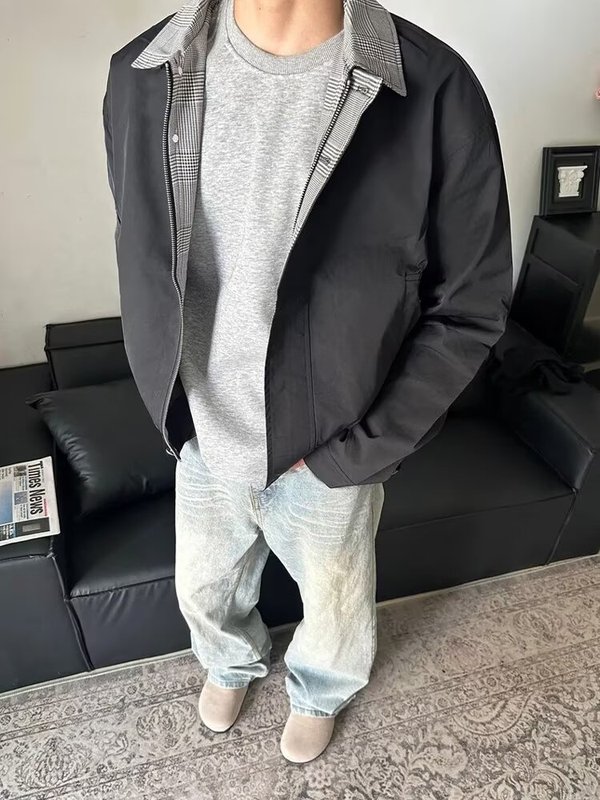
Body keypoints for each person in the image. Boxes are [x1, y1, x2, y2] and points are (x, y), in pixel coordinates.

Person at [102, 0, 513, 764]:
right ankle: (230, 662)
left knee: (336, 603)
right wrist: (170, 403)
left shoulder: (434, 88)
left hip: (334, 445)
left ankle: (320, 692)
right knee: (204, 587)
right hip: (203, 427)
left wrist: (361, 450)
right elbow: (141, 247)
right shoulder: (141, 73)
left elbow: (471, 305)